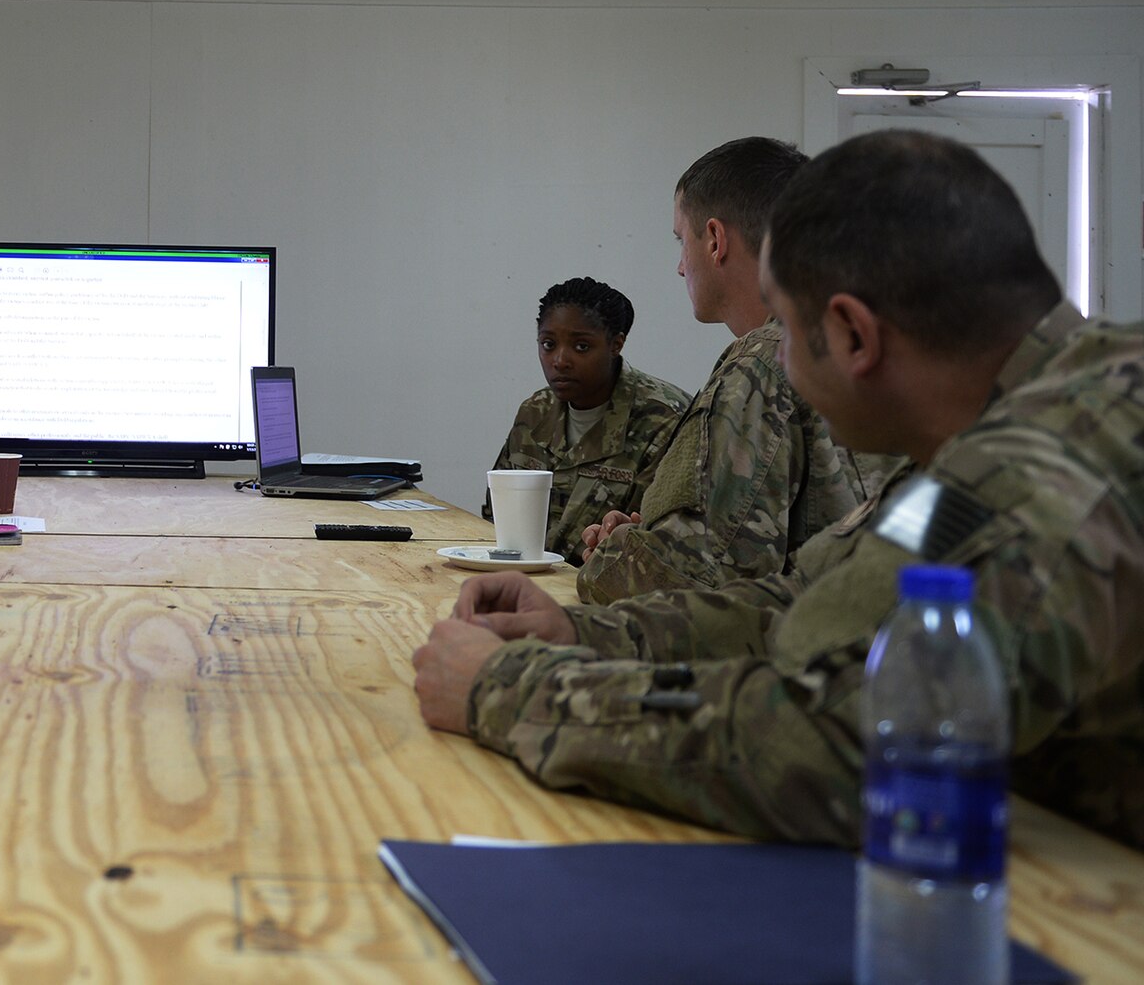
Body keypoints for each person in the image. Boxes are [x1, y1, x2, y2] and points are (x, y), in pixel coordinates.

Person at [412, 130, 1144, 849]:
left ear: (853, 336)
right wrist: (583, 634)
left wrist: (510, 690)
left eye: (785, 331)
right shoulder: (1002, 428)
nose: (778, 365)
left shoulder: (1048, 470)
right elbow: (809, 599)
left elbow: (856, 744)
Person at [574, 136, 878, 604]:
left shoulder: (763, 364)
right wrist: (653, 535)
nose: (679, 267)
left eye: (682, 240)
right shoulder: (870, 342)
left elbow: (693, 588)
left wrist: (613, 558)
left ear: (715, 240)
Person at [488, 278, 689, 563]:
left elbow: (665, 539)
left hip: (610, 595)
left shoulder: (665, 420)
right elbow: (495, 515)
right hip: (527, 583)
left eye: (581, 347)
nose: (559, 360)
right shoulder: (535, 412)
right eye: (548, 344)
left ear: (616, 344)